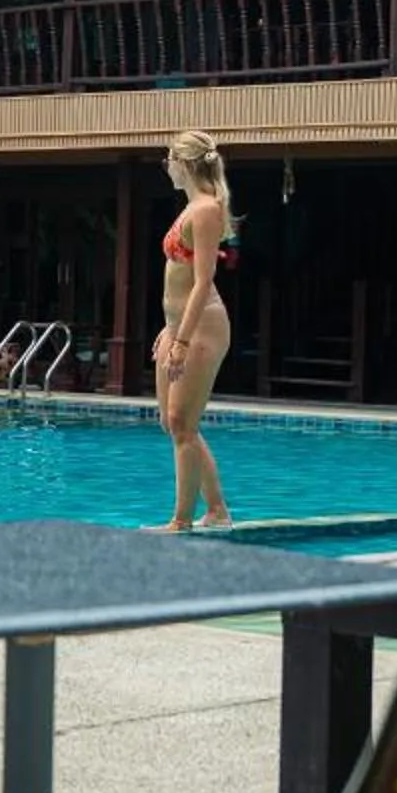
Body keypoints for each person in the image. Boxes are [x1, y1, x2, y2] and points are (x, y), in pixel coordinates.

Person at [154, 129, 236, 531]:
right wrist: (169, 330)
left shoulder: (204, 210)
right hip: (178, 325)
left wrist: (182, 341)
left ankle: (182, 520)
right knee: (173, 423)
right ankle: (217, 511)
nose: (166, 166)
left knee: (182, 423)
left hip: (201, 327)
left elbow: (203, 282)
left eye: (168, 159)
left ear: (183, 163)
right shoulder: (190, 208)